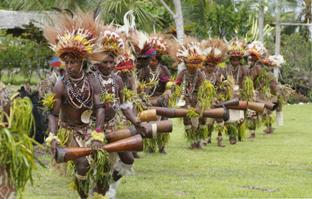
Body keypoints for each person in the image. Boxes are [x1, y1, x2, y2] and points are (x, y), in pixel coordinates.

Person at [44, 12, 107, 198]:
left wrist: (98, 134)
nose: (69, 66)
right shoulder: (60, 85)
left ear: (82, 61)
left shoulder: (93, 81)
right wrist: (53, 137)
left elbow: (100, 108)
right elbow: (53, 115)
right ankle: (83, 196)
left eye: (73, 62)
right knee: (82, 163)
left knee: (101, 163)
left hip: (88, 128)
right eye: (67, 62)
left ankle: (99, 190)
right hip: (69, 130)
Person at [175, 42, 206, 149]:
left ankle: (199, 140)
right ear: (185, 63)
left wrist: (200, 103)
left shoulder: (200, 74)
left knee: (199, 119)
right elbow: (176, 85)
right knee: (187, 120)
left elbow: (205, 90)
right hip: (185, 99)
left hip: (198, 100)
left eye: (195, 66)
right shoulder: (183, 73)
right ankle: (192, 140)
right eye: (191, 65)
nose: (193, 68)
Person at [201, 39, 228, 147]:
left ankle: (220, 139)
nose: (211, 68)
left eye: (213, 66)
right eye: (209, 66)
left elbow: (220, 88)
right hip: (203, 101)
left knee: (220, 119)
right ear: (205, 65)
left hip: (215, 101)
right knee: (206, 122)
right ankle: (205, 138)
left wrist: (220, 95)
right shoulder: (201, 75)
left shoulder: (216, 76)